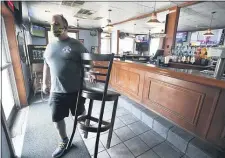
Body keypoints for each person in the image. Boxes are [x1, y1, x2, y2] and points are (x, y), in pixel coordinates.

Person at [42, 14, 95, 158]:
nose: (53, 27)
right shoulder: (49, 46)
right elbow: (46, 64)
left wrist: (90, 72)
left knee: (79, 114)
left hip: (75, 90)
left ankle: (84, 126)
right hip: (56, 91)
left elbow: (88, 63)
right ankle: (64, 141)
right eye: (52, 24)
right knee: (57, 118)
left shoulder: (76, 45)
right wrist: (44, 82)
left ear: (65, 27)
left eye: (56, 23)